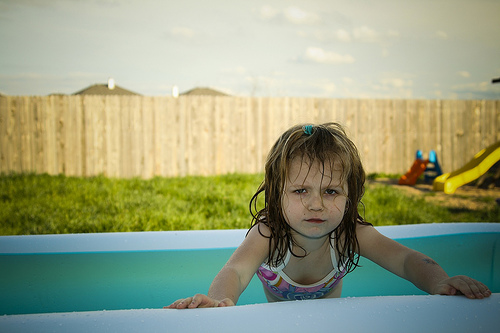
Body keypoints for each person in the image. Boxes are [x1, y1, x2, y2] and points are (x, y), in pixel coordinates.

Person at [167, 123, 491, 309]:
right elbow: (235, 272)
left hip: (332, 321)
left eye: (331, 191)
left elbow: (406, 260)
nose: (316, 204)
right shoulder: (268, 234)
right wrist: (220, 303)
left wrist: (440, 282)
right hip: (277, 323)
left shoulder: (350, 233)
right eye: (300, 191)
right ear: (276, 193)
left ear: (351, 195)